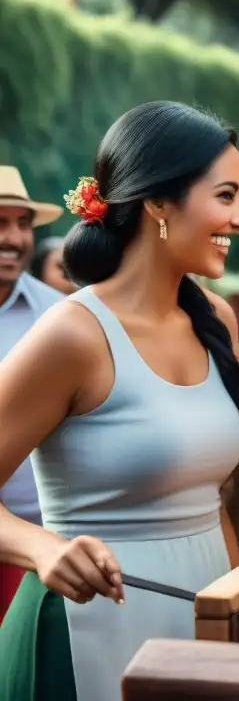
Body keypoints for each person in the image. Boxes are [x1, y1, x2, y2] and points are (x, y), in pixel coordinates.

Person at [0, 101, 239, 701]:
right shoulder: (73, 334)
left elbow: (213, 501)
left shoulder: (216, 318)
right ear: (158, 203)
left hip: (201, 619)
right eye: (225, 196)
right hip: (86, 632)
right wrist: (42, 548)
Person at [0, 167, 65, 624]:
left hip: (38, 545)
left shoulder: (58, 317)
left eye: (23, 224)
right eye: (0, 223)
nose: (15, 238)